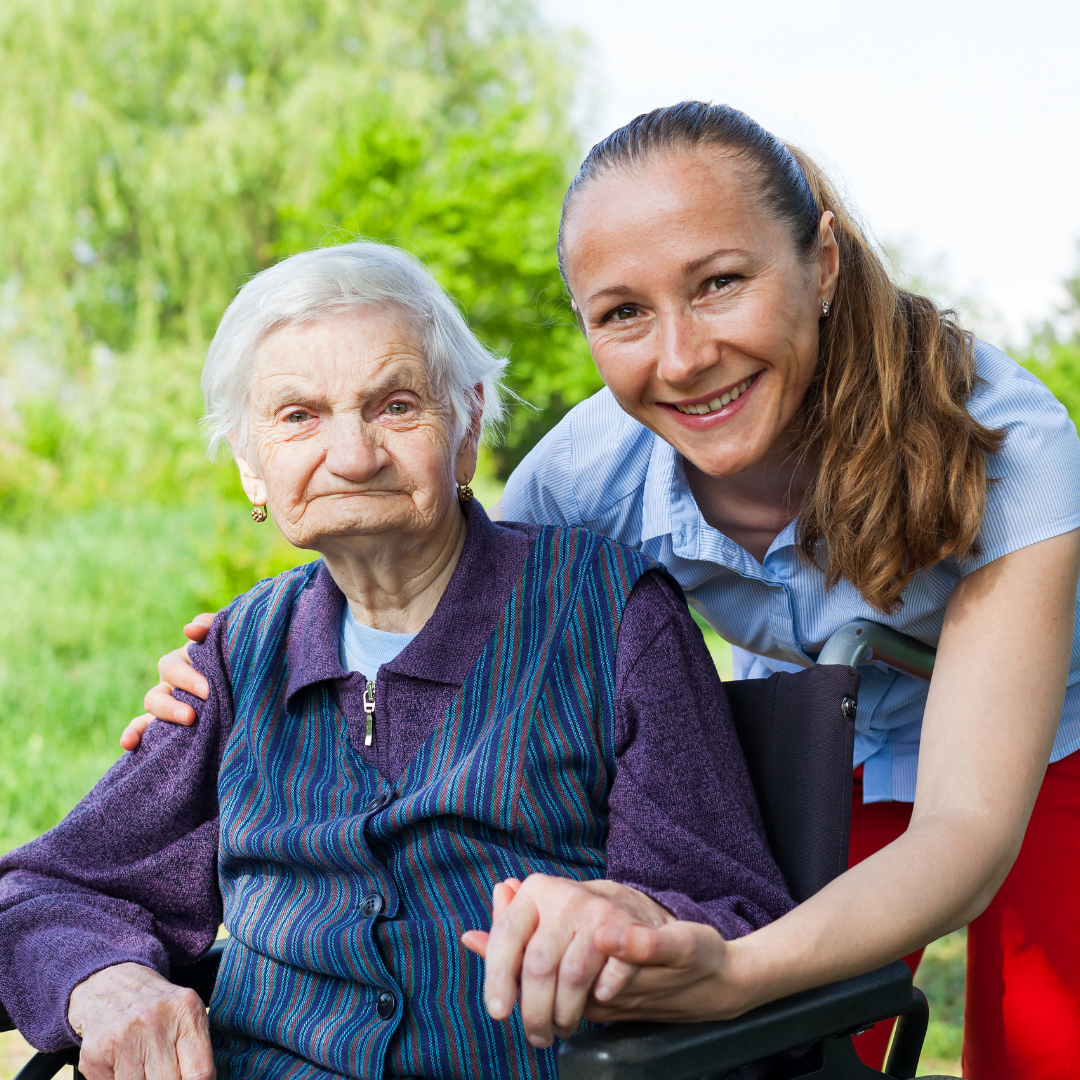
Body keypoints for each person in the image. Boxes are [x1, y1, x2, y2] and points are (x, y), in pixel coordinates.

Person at [136, 104, 1080, 1080]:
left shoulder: (1011, 446)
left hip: (1045, 732)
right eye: (624, 312)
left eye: (719, 284)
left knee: (1043, 1042)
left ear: (823, 265)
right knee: (818, 1037)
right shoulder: (585, 476)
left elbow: (966, 830)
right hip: (821, 707)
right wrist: (255, 653)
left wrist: (737, 973)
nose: (681, 358)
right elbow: (441, 587)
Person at [0, 242, 793, 1080]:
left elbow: (732, 914)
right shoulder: (239, 653)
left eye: (396, 405)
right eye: (299, 416)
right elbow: (46, 891)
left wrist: (629, 917)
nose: (353, 455)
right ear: (249, 465)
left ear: (468, 427)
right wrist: (108, 982)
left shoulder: (609, 611)